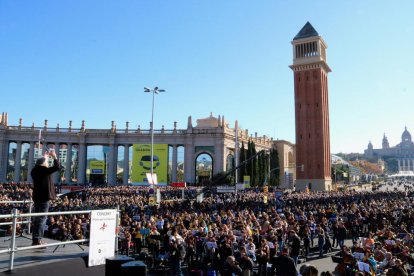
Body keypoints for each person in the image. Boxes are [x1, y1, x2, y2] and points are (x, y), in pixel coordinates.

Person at [30, 150, 60, 246]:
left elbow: (39, 164)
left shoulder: (34, 170)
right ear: (43, 164)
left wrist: (45, 157)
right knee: (42, 219)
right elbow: (57, 167)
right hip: (44, 198)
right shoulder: (44, 171)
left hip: (37, 198)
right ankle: (38, 240)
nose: (48, 163)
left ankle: (35, 239)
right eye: (47, 162)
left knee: (37, 219)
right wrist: (54, 157)